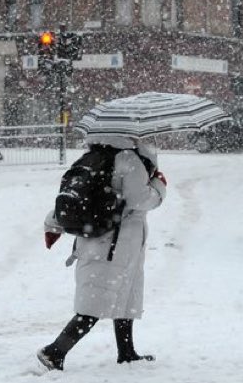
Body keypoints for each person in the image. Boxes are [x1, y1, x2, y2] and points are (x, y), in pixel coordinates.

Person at [37, 135, 167, 371]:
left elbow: (73, 197)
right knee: (95, 304)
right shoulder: (128, 159)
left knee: (123, 295)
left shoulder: (91, 158)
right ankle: (55, 351)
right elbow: (140, 200)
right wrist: (159, 185)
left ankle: (126, 352)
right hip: (118, 244)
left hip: (97, 240)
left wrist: (53, 224)